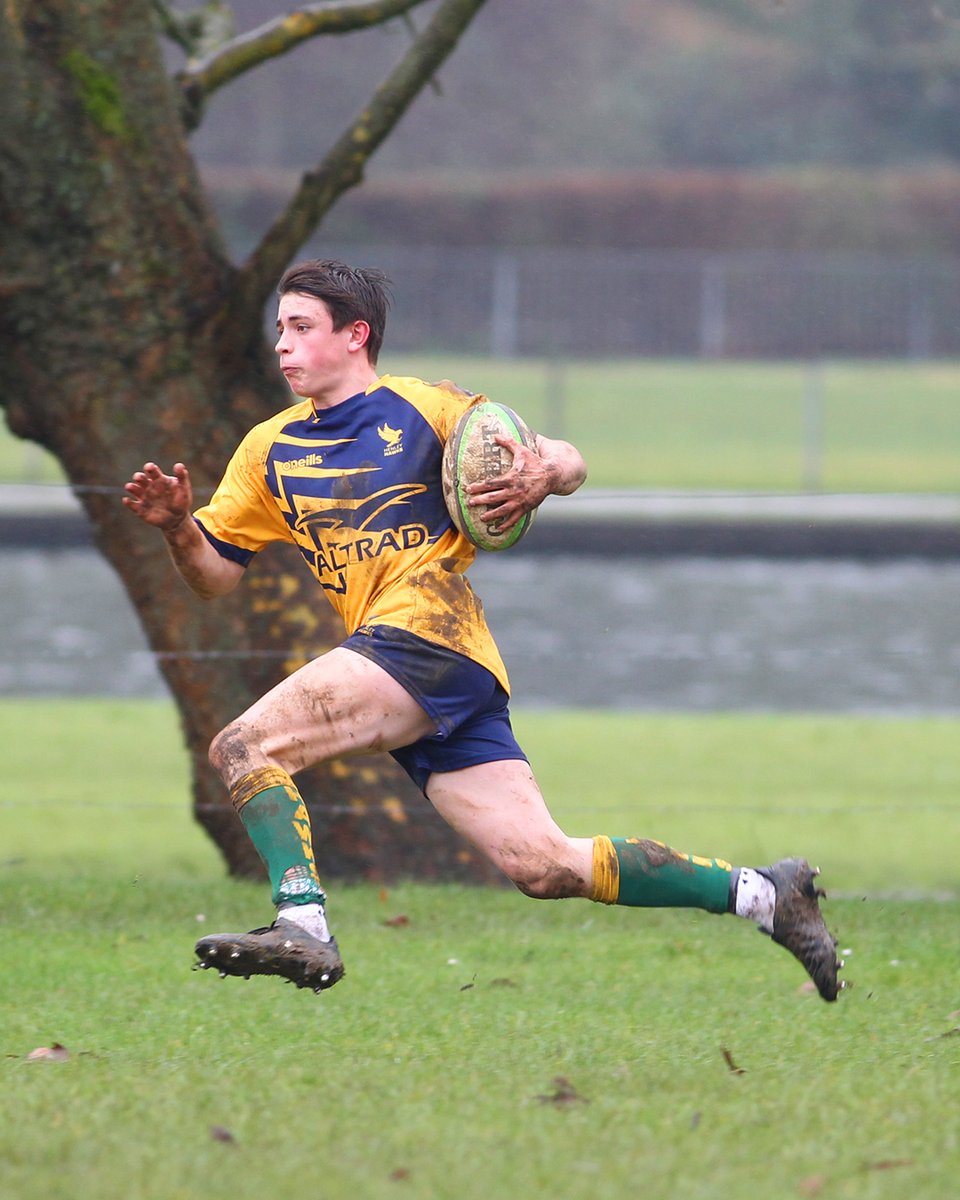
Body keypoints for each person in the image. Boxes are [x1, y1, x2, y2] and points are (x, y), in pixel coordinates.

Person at [123, 259, 842, 1002]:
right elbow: (214, 574)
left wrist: (543, 476)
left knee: (244, 745)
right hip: (437, 669)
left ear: (355, 336)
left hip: (425, 638)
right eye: (280, 329)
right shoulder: (267, 450)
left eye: (302, 328)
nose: (283, 345)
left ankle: (301, 921)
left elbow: (569, 457)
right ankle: (765, 895)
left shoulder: (426, 409)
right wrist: (179, 526)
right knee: (542, 865)